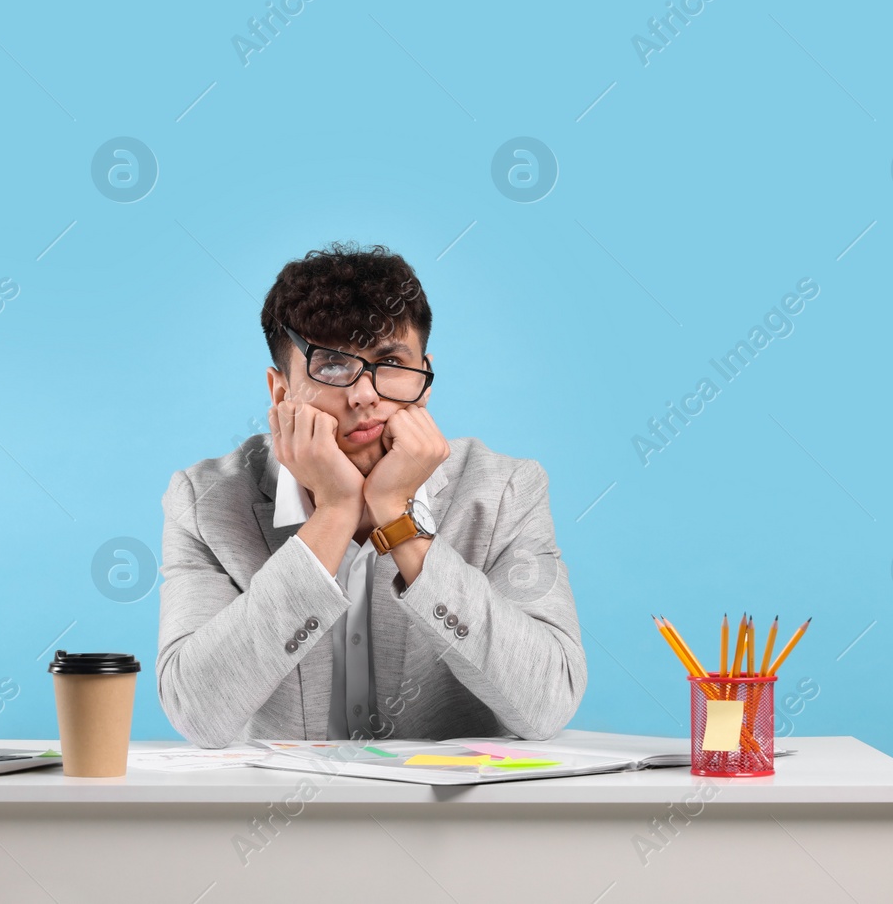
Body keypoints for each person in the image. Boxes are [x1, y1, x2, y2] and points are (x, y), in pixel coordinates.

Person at [157, 242, 585, 747]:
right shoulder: (205, 501)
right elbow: (198, 714)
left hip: (445, 815)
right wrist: (334, 512)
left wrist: (397, 517)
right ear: (280, 393)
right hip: (278, 816)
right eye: (332, 366)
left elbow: (548, 704)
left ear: (423, 381)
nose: (364, 393)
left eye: (390, 362)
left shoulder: (505, 490)